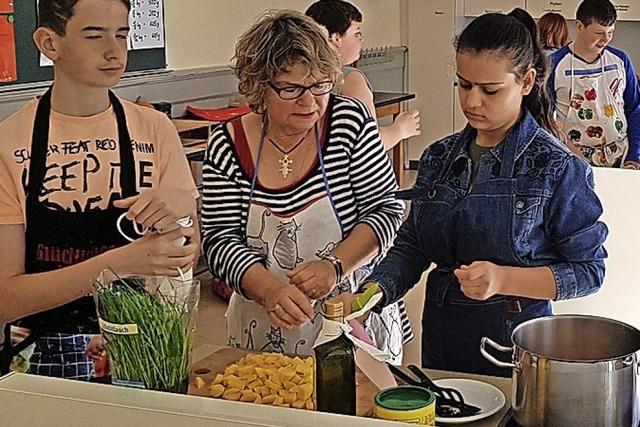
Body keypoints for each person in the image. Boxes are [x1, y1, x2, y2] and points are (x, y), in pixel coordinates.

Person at [340, 9, 608, 377]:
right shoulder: (439, 156)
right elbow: (413, 245)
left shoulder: (556, 167)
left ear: (527, 81)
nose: (472, 102)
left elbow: (589, 271)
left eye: (490, 90)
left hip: (513, 341)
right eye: (464, 85)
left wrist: (503, 279)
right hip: (442, 330)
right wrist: (373, 292)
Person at [0, 0, 199, 380]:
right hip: (41, 352)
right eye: (94, 36)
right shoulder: (9, 145)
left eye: (122, 35)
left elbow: (186, 259)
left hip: (149, 345)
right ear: (48, 43)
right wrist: (116, 265)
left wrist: (184, 219)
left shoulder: (155, 130)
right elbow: (7, 300)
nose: (114, 51)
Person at [200, 10, 410, 363]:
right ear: (259, 86)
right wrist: (269, 291)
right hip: (263, 320)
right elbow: (219, 239)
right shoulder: (227, 143)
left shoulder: (348, 123)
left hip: (348, 312)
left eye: (320, 86)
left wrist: (335, 266)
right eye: (291, 89)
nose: (310, 102)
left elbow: (387, 210)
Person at [305, 0, 420, 151]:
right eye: (357, 33)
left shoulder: (295, 74)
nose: (361, 39)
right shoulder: (349, 79)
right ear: (336, 38)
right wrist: (400, 129)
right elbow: (370, 143)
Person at [548, 0, 640, 168]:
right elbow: (544, 117)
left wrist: (635, 155)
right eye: (599, 33)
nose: (605, 40)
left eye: (610, 32)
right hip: (573, 158)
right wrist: (567, 154)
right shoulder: (555, 63)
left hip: (621, 154)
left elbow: (634, 108)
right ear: (579, 26)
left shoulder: (621, 60)